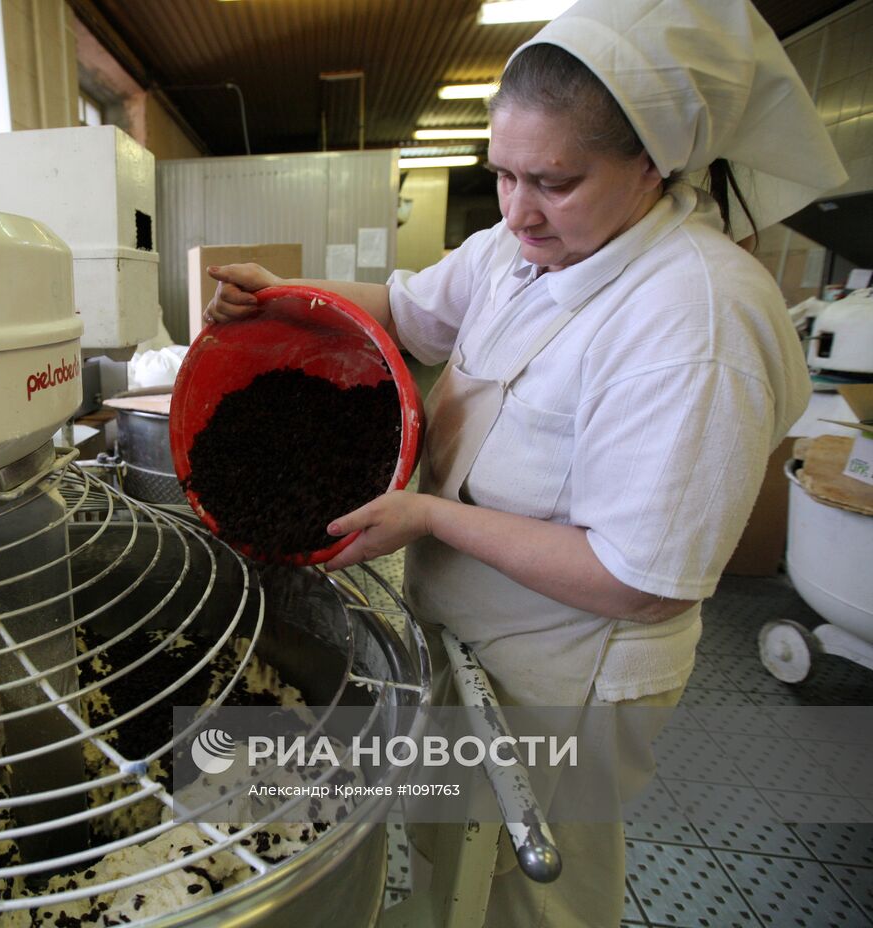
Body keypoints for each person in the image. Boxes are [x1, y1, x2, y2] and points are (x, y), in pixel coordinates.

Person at [202, 0, 846, 924]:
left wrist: (425, 516)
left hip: (566, 677)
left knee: (528, 891)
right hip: (471, 637)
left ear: (651, 165)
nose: (518, 210)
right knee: (448, 855)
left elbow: (640, 578)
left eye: (555, 180)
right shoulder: (520, 249)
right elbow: (405, 307)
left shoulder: (693, 318)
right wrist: (285, 298)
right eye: (502, 174)